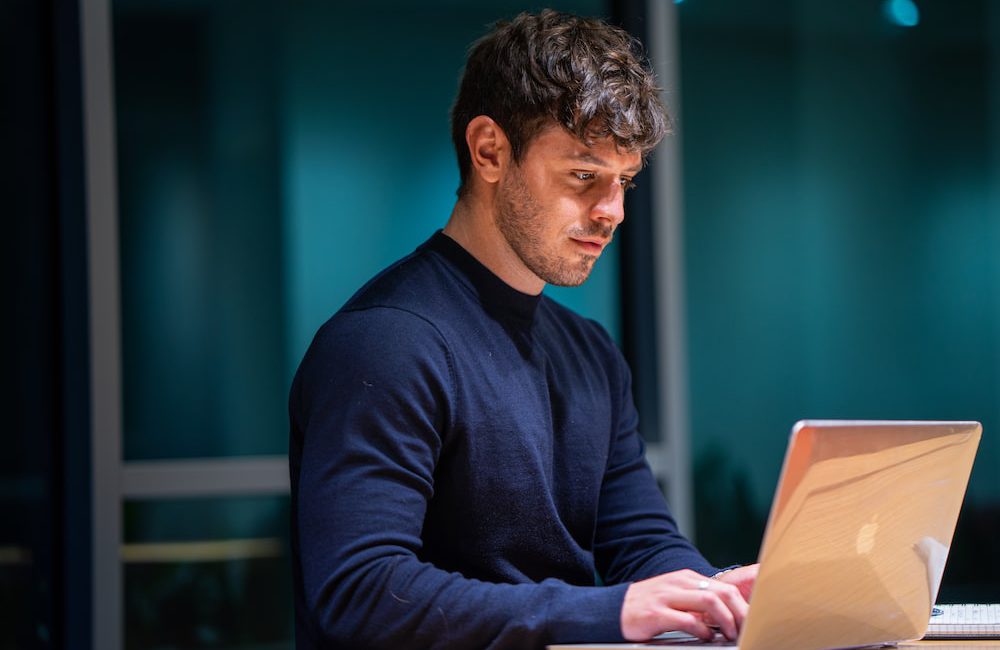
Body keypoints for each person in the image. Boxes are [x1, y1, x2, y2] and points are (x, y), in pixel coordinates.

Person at [288, 9, 757, 649]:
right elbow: (362, 592)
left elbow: (641, 543)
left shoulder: (590, 355)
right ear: (490, 151)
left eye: (624, 181)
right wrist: (609, 613)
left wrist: (717, 597)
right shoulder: (386, 343)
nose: (613, 212)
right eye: (584, 176)